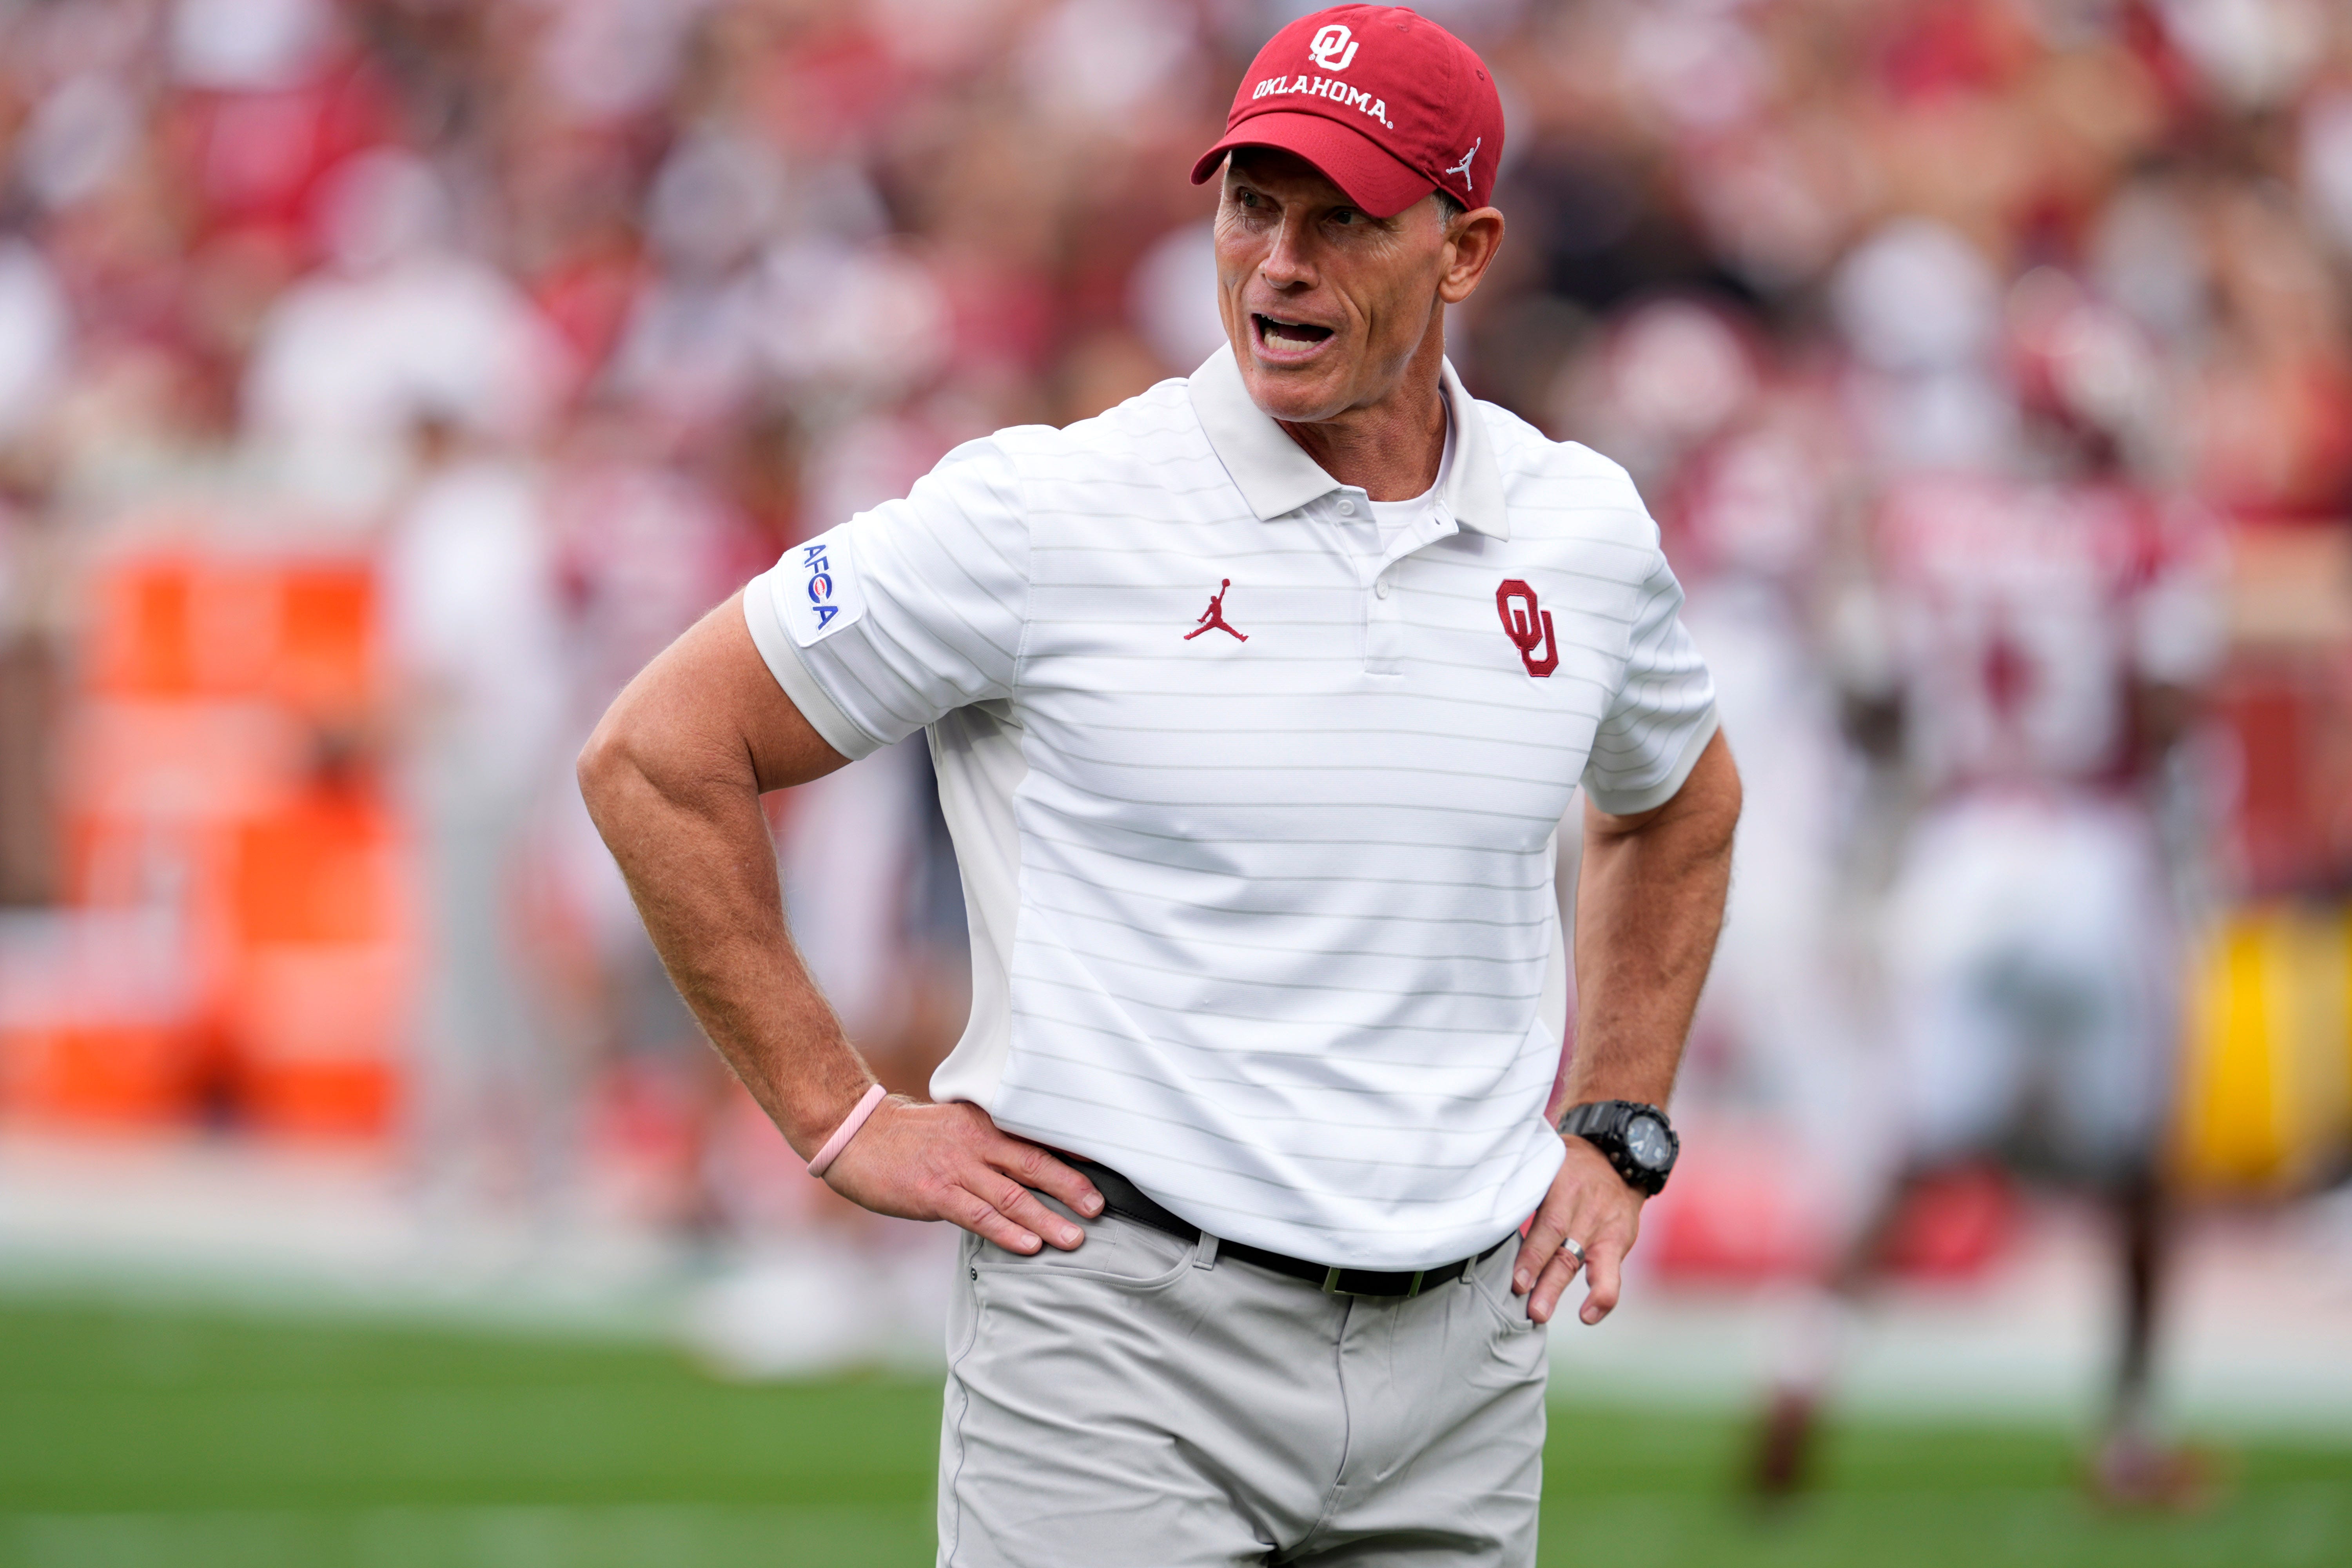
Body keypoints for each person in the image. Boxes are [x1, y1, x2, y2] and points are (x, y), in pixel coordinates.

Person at [579, 9, 1739, 1564]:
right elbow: (658, 751)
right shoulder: (1049, 509)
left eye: (1344, 219)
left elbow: (1678, 803)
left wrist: (1619, 1123)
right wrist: (839, 1116)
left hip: (1465, 1362)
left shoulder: (1579, 528)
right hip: (1117, 1342)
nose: (1280, 264)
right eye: (1254, 205)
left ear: (1465, 254)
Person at [1750, 445, 2221, 1509]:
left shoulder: (1930, 524)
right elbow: (2166, 707)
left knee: (1912, 1151)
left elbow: (1871, 696)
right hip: (2094, 850)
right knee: (2139, 1168)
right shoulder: (2146, 530)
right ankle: (2134, 1432)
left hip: (1963, 849)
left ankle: (1802, 1367)